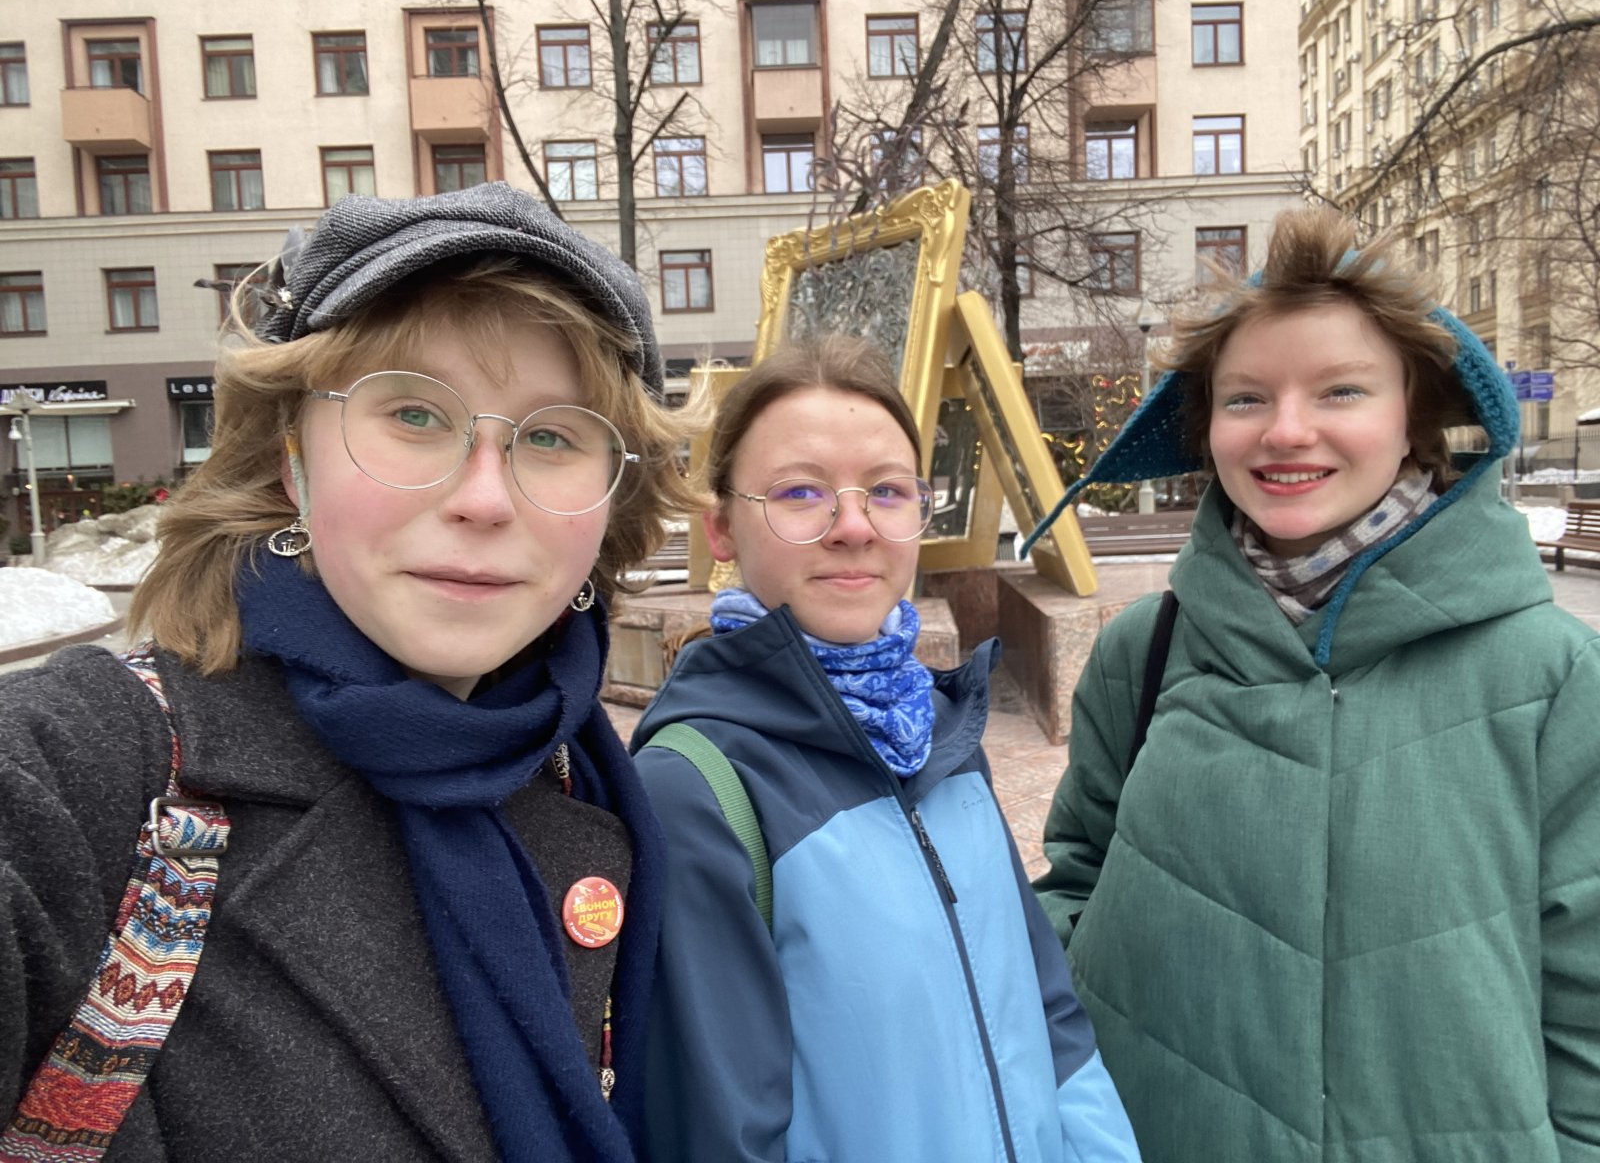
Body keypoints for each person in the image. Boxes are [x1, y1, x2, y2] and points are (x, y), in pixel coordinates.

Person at [0, 183, 699, 1162]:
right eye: (413, 413)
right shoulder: (87, 770)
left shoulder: (577, 775)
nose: (485, 498)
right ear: (294, 459)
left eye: (550, 436)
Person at [1027, 207, 1600, 1161]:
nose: (1287, 431)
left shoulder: (1552, 674)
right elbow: (1077, 877)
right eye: (1246, 398)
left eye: (1341, 390)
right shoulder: (1143, 650)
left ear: (1412, 415)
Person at [632, 336, 1141, 1163]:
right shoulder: (696, 789)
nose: (854, 527)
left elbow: (1048, 1012)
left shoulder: (939, 730)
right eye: (800, 492)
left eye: (888, 491)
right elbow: (724, 1134)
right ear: (721, 527)